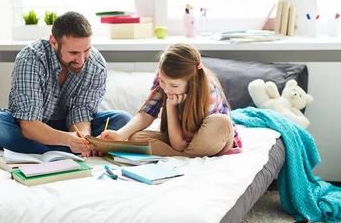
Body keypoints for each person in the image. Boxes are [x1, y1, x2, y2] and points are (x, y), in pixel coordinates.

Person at [0, 11, 132, 155]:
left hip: (67, 127)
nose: (81, 60)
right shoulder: (31, 59)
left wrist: (83, 139)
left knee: (122, 120)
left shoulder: (95, 64)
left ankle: (42, 151)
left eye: (86, 50)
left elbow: (82, 112)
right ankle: (58, 151)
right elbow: (29, 125)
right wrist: (66, 140)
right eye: (73, 53)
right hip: (32, 126)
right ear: (53, 42)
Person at [99, 43, 242, 157]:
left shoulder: (208, 92)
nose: (166, 89)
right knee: (135, 138)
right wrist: (121, 134)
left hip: (209, 139)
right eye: (162, 82)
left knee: (221, 122)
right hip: (179, 139)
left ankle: (183, 155)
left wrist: (170, 107)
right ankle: (183, 156)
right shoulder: (164, 75)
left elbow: (179, 144)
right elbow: (148, 111)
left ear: (191, 82)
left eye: (174, 85)